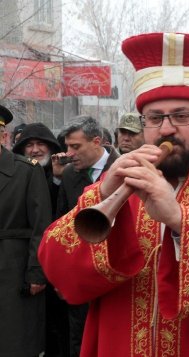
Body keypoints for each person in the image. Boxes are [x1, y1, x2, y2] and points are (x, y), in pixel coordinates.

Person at [38, 32, 189, 357]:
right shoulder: (115, 189)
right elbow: (58, 271)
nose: (166, 129)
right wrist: (104, 190)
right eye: (154, 118)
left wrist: (180, 219)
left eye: (182, 116)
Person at [55, 115, 120, 357]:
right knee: (79, 340)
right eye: (67, 146)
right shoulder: (70, 174)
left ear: (97, 142)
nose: (69, 153)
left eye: (75, 146)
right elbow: (62, 223)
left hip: (116, 274)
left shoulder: (124, 168)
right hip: (81, 274)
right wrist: (63, 276)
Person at [12, 123, 70, 356]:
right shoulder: (17, 174)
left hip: (56, 264)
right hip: (25, 264)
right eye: (29, 145)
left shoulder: (67, 172)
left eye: (41, 144)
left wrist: (57, 180)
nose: (35, 150)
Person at [0, 105, 52, 357]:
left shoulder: (27, 171)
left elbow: (41, 225)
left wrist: (36, 272)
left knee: (14, 340)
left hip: (14, 269)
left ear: (3, 136)